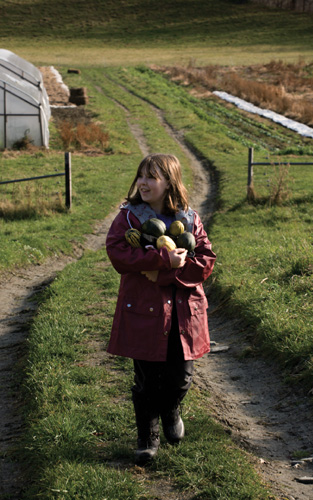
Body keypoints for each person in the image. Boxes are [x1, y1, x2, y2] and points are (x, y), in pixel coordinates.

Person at [106, 153, 216, 464]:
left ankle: (171, 410)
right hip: (144, 312)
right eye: (140, 175)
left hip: (183, 313)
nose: (143, 182)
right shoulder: (128, 218)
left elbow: (206, 259)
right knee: (147, 380)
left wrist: (167, 272)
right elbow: (118, 255)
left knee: (180, 378)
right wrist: (162, 260)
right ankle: (147, 437)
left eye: (151, 177)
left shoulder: (190, 219)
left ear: (169, 182)